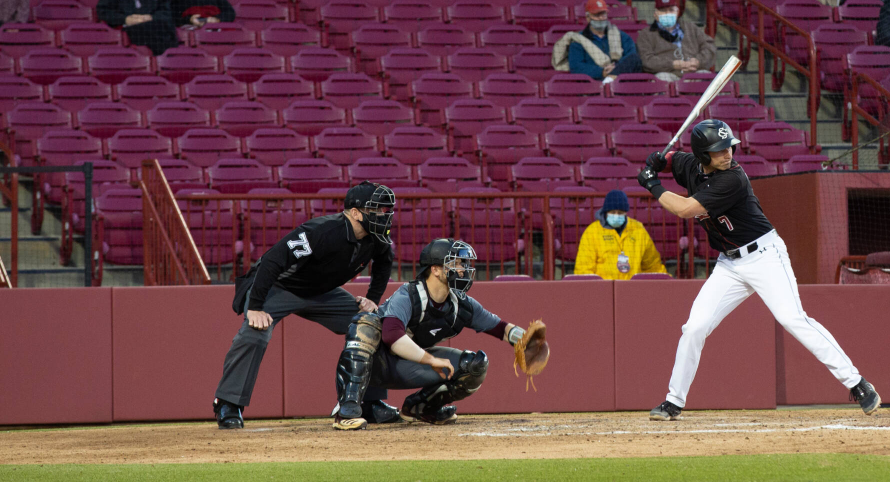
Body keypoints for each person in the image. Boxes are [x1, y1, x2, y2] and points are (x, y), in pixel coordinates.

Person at [638, 120, 881, 420]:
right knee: (694, 327)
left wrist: (652, 183)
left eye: (729, 147)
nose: (727, 154)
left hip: (764, 255)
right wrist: (661, 160)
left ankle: (857, 384)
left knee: (792, 318)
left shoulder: (733, 179)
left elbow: (685, 209)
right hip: (729, 264)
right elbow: (675, 159)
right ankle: (673, 401)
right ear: (703, 155)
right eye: (719, 150)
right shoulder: (691, 164)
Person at [213, 181, 396, 429]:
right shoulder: (322, 231)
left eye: (385, 210)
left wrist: (373, 298)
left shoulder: (377, 238)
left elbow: (384, 264)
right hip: (279, 287)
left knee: (370, 325)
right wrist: (255, 306)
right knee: (255, 333)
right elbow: (273, 260)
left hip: (322, 293)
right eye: (376, 210)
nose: (383, 215)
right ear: (355, 212)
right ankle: (228, 403)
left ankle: (368, 403)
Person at [332, 239, 533, 429]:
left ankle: (421, 408)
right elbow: (391, 337)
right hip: (376, 364)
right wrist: (431, 360)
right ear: (436, 269)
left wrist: (527, 340)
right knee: (365, 323)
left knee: (475, 365)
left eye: (463, 264)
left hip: (408, 367)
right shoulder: (408, 295)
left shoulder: (461, 303)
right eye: (456, 263)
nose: (463, 269)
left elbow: (500, 328)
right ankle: (348, 409)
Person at [573, 189, 667, 279]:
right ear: (606, 212)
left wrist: (666, 282)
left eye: (620, 212)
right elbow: (583, 270)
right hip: (603, 290)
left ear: (626, 212)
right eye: (613, 212)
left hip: (632, 289)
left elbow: (653, 265)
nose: (617, 215)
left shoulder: (638, 230)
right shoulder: (592, 232)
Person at [552, 0, 642, 83]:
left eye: (603, 14)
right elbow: (576, 67)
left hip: (621, 81)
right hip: (594, 83)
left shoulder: (620, 35)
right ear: (588, 17)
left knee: (635, 58)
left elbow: (631, 55)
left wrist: (615, 68)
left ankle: (609, 80)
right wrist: (602, 72)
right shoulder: (578, 40)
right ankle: (607, 82)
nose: (601, 18)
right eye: (596, 15)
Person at [635, 0, 716, 83]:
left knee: (706, 75)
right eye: (663, 10)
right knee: (661, 78)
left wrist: (698, 61)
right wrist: (673, 64)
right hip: (668, 74)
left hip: (694, 72)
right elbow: (647, 61)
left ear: (677, 12)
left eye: (671, 10)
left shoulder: (692, 28)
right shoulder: (646, 34)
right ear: (655, 14)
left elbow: (709, 47)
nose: (667, 13)